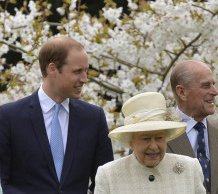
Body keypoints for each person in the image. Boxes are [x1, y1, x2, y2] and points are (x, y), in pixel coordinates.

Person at [0, 36, 114, 194]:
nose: (85, 79)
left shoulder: (94, 117)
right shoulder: (8, 117)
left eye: (85, 71)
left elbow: (105, 182)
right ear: (52, 69)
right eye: (77, 71)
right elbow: (2, 182)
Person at [94, 92, 206, 194]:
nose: (153, 146)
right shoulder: (108, 175)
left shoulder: (191, 168)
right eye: (146, 138)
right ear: (131, 142)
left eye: (159, 138)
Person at [167, 60, 218, 194]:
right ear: (182, 92)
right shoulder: (154, 135)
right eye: (206, 86)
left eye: (214, 85)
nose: (215, 92)